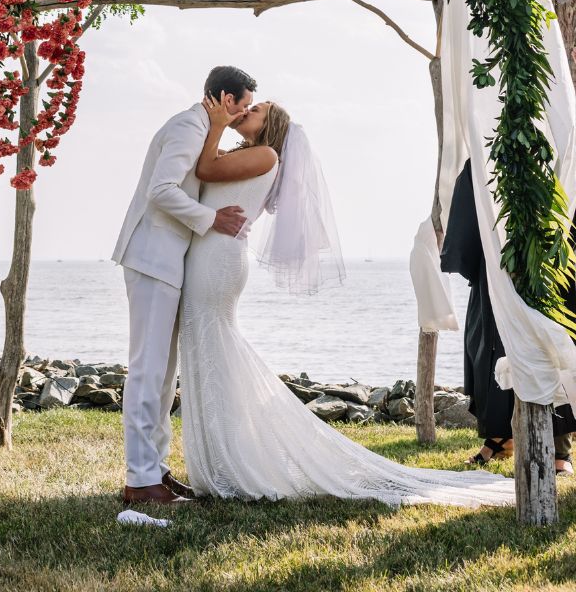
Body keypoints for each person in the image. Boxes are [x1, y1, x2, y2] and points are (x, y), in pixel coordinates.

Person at [177, 95, 515, 507]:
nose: (247, 111)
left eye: (257, 110)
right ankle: (222, 458)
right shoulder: (249, 153)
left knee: (216, 354)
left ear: (270, 126)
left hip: (218, 263)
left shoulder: (265, 154)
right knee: (209, 354)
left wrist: (215, 122)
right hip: (210, 258)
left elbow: (204, 169)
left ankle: (234, 461)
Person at [112, 65, 257, 505]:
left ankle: (155, 469)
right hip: (153, 255)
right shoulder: (187, 127)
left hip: (168, 260)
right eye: (244, 106)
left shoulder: (200, 128)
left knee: (163, 374)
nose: (244, 114)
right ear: (226, 100)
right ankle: (140, 481)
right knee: (148, 370)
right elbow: (162, 190)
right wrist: (211, 219)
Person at [441, 159, 576, 473]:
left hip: (555, 268)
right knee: (493, 348)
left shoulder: (562, 150)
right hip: (499, 268)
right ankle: (500, 437)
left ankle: (559, 450)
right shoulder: (484, 159)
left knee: (552, 346)